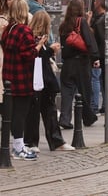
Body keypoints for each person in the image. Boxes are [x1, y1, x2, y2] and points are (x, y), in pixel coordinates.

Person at [25, 10, 74, 152]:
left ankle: (54, 141)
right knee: (36, 112)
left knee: (49, 111)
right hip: (37, 79)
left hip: (43, 80)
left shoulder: (41, 39)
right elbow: (36, 57)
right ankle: (32, 142)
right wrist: (51, 51)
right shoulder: (33, 39)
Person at [1, 0, 40, 160]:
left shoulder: (9, 29)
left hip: (9, 75)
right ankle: (18, 147)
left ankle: (17, 145)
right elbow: (28, 55)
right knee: (20, 113)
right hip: (21, 76)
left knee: (12, 112)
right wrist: (38, 46)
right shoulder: (24, 30)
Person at [58, 0, 99, 129]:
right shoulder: (82, 22)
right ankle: (87, 117)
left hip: (68, 63)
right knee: (85, 90)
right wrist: (95, 58)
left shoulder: (63, 25)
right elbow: (89, 41)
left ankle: (64, 118)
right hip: (81, 62)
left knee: (67, 92)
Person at [90, 0, 107, 113]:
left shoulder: (99, 20)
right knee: (103, 80)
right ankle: (105, 105)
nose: (94, 4)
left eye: (95, 2)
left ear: (100, 3)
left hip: (98, 54)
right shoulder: (105, 18)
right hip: (103, 54)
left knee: (96, 79)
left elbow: (97, 39)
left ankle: (94, 105)